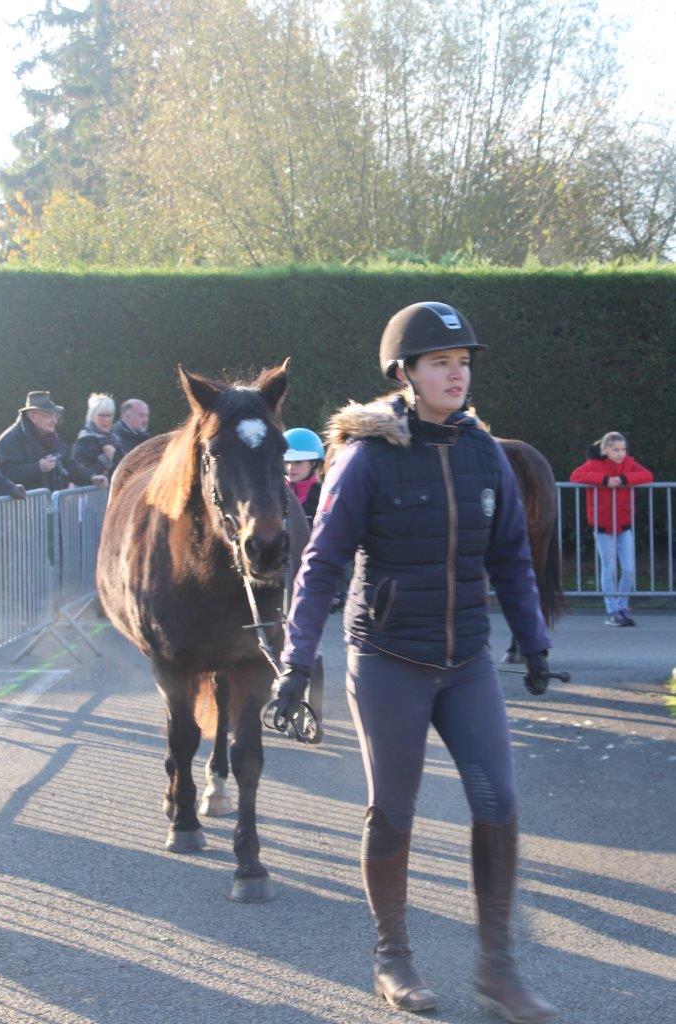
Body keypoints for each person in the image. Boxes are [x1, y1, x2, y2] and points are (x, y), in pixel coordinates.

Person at [273, 301, 557, 1022]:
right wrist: (296, 659)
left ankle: (497, 968)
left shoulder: (483, 452)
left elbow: (512, 559)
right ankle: (392, 958)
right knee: (393, 811)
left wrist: (534, 640)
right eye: (441, 363)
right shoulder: (367, 457)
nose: (456, 375)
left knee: (499, 801)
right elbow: (322, 562)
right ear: (405, 373)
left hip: (466, 660)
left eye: (463, 363)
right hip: (389, 657)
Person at [570, 432, 653, 626]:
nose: (620, 453)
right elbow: (576, 476)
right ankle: (612, 610)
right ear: (605, 450)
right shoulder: (593, 464)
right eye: (615, 449)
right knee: (609, 567)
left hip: (624, 522)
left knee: (629, 568)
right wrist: (604, 480)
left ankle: (622, 606)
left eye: (623, 449)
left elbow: (647, 475)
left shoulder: (630, 463)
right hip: (602, 523)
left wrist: (624, 479)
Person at [0, 391, 96, 492]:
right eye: (48, 415)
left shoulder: (53, 437)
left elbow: (68, 463)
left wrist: (91, 477)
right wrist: (38, 468)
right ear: (33, 416)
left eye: (55, 415)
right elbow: (2, 475)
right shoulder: (9, 440)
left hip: (48, 505)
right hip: (23, 506)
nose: (54, 421)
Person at [71, 393, 118, 487]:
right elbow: (80, 472)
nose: (106, 420)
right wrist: (107, 459)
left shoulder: (114, 438)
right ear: (92, 416)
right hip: (87, 497)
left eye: (109, 416)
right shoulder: (85, 440)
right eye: (101, 415)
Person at [284, 427, 324, 525]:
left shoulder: (323, 496)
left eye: (298, 462)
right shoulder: (274, 493)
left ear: (313, 464)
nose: (290, 467)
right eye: (287, 461)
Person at [113, 398, 150, 466]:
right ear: (127, 416)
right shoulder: (114, 438)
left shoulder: (145, 438)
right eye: (141, 415)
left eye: (147, 416)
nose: (146, 420)